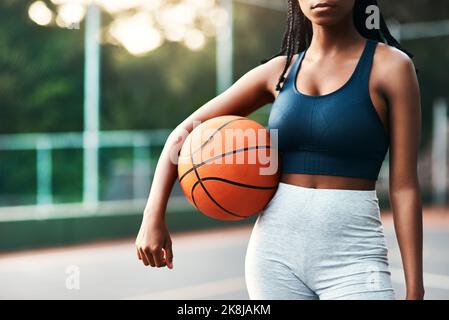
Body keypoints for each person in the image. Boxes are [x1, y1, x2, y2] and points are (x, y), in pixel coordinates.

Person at [135, 0, 424, 300]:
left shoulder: (392, 66)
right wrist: (152, 217)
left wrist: (415, 290)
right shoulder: (279, 71)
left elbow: (404, 187)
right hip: (274, 259)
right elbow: (182, 134)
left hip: (354, 259)